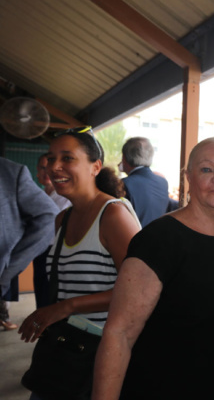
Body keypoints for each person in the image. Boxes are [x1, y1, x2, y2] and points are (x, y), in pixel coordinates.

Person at [93, 137, 214, 399]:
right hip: (168, 386)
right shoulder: (160, 239)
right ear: (188, 177)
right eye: (207, 169)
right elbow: (119, 334)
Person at [18, 126, 140, 399]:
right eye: (50, 158)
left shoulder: (113, 215)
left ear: (95, 166)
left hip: (102, 355)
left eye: (67, 158)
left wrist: (64, 308)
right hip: (65, 351)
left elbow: (138, 291)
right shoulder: (62, 220)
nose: (54, 166)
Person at [0, 157, 57, 330]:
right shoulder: (42, 192)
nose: (46, 172)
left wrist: (10, 266)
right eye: (42, 168)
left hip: (48, 254)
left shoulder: (10, 174)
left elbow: (48, 218)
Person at [32, 154, 72, 308]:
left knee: (52, 295)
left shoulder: (64, 196)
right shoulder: (38, 195)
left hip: (57, 250)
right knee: (41, 293)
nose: (46, 172)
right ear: (37, 170)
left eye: (48, 168)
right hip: (39, 250)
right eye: (42, 168)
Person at [120, 137, 170, 227]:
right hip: (160, 239)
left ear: (125, 158)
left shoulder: (124, 184)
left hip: (134, 239)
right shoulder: (163, 182)